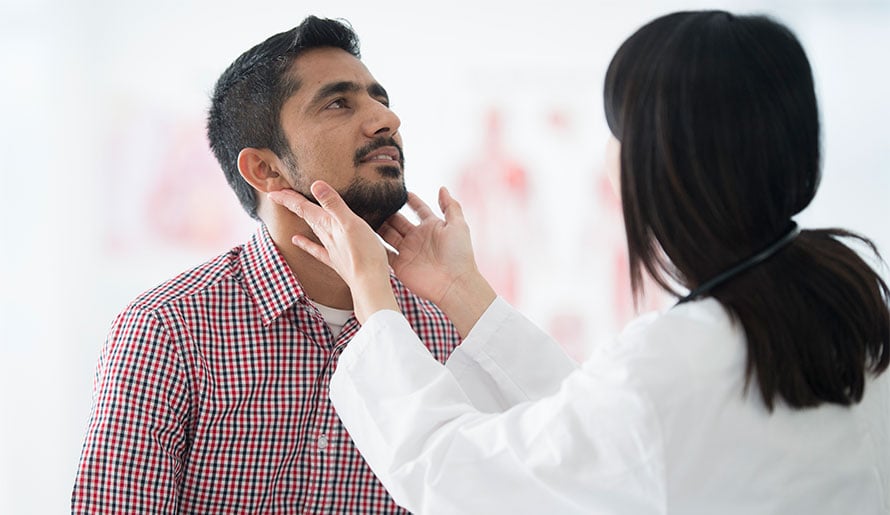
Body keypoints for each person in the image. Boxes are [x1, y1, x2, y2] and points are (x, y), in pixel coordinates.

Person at [269, 10, 890, 514]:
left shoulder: (675, 365)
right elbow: (596, 430)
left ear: (661, 162)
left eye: (618, 132)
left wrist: (375, 302)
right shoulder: (851, 305)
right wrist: (460, 288)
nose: (386, 120)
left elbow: (456, 475)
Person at [71, 16, 460, 513]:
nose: (387, 119)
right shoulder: (168, 329)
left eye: (379, 99)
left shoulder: (443, 331)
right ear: (264, 168)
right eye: (338, 103)